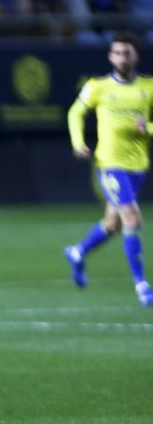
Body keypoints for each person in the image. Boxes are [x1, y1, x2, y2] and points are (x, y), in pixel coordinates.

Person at [63, 32, 153, 306]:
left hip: (137, 166)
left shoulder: (149, 87)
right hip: (110, 165)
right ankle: (142, 285)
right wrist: (78, 142)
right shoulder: (97, 87)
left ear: (136, 57)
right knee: (132, 219)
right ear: (110, 57)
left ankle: (78, 252)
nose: (122, 58)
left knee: (113, 224)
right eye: (117, 53)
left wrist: (148, 128)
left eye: (127, 53)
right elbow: (75, 112)